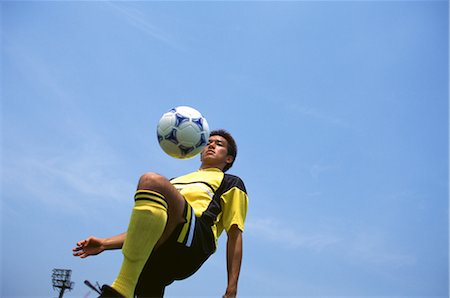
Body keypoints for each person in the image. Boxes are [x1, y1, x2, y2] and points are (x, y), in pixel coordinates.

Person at [73, 129, 249, 298]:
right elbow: (146, 227)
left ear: (228, 158)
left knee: (150, 180)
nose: (211, 145)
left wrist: (231, 288)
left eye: (218, 144)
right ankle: (128, 285)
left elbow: (234, 235)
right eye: (207, 142)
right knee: (145, 278)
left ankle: (121, 286)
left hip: (195, 241)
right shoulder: (174, 182)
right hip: (162, 248)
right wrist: (104, 243)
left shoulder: (230, 182)